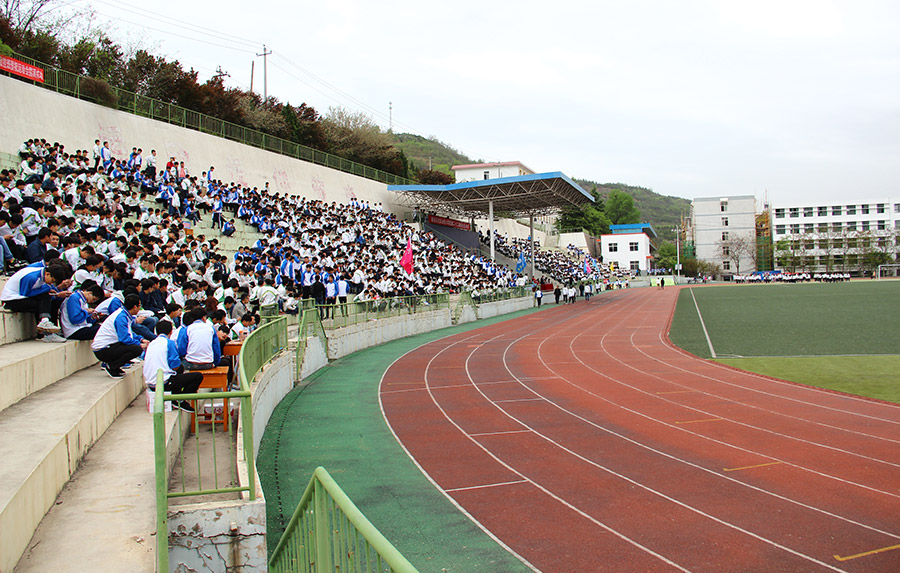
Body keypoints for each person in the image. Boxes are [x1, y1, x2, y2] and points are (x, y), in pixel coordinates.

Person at [143, 320, 202, 412]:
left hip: (151, 383)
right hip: (164, 383)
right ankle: (180, 399)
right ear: (170, 332)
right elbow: (175, 365)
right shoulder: (169, 343)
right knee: (197, 376)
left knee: (180, 369)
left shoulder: (151, 344)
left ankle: (176, 394)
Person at [1, 263, 71, 336]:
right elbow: (25, 293)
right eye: (52, 280)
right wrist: (47, 289)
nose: (51, 283)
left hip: (22, 297)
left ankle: (46, 325)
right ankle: (44, 328)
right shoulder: (32, 277)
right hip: (12, 299)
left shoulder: (42, 275)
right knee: (43, 304)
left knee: (47, 300)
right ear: (47, 274)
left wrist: (54, 293)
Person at [91, 293, 148, 378]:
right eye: (139, 306)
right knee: (136, 349)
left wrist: (141, 339)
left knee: (135, 347)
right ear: (135, 307)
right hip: (103, 349)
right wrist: (140, 344)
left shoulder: (125, 315)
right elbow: (124, 338)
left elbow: (128, 333)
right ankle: (112, 366)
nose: (140, 308)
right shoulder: (121, 317)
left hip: (110, 345)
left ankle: (115, 367)